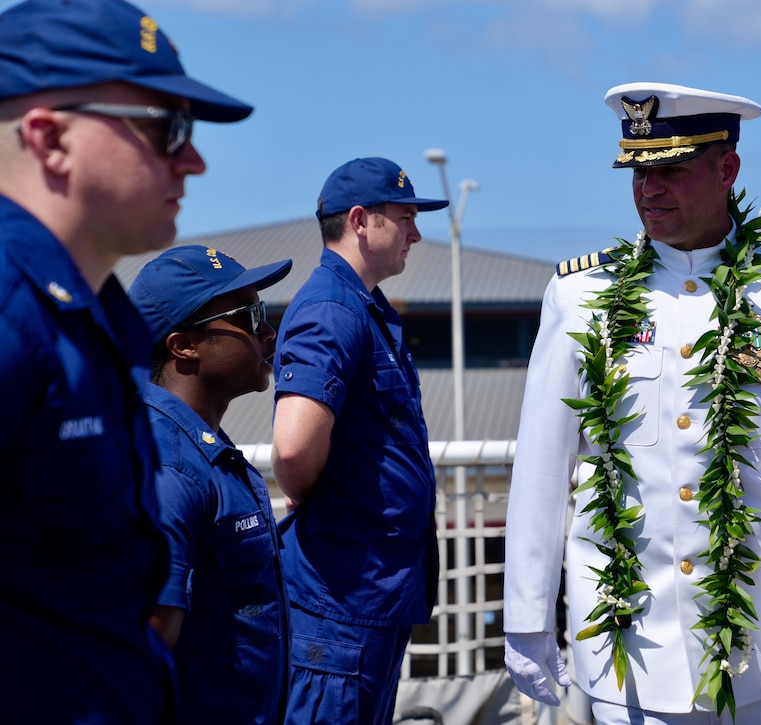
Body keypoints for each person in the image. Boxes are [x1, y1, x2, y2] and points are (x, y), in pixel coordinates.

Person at [503, 81, 761, 725]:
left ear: (727, 168)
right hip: (627, 658)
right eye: (638, 170)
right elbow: (540, 471)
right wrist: (526, 618)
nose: (649, 188)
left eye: (669, 167)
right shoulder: (581, 297)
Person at [0, 0, 251, 721]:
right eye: (167, 128)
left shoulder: (95, 309)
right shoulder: (15, 310)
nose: (194, 159)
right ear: (50, 139)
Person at [272, 157, 447, 724]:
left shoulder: (358, 308)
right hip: (341, 600)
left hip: (364, 594)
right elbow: (294, 448)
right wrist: (309, 489)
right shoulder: (332, 309)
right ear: (359, 220)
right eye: (404, 217)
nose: (416, 233)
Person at [128, 246, 293, 724]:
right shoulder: (167, 465)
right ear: (184, 345)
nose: (269, 332)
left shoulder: (200, 447)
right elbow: (146, 641)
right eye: (250, 315)